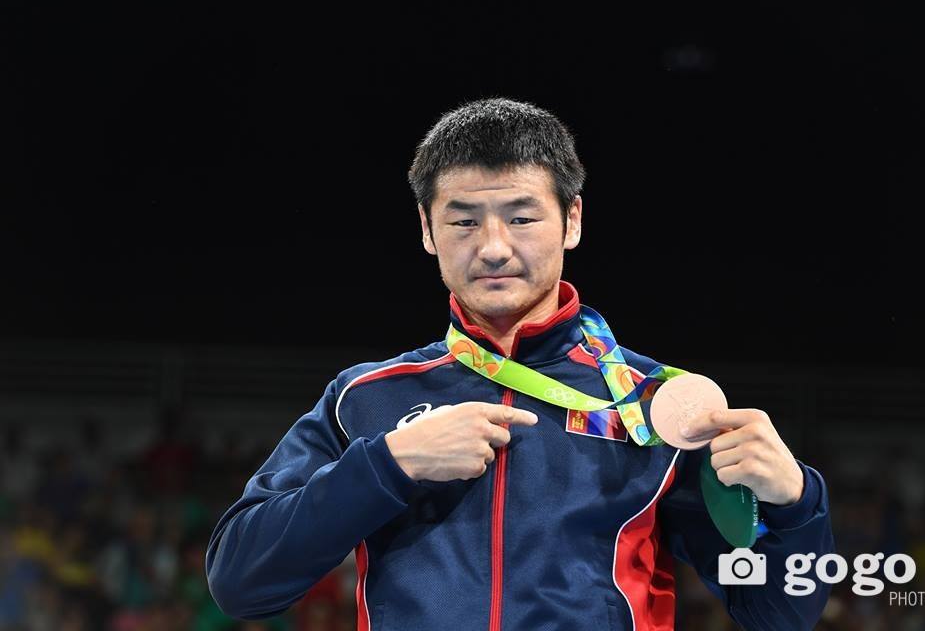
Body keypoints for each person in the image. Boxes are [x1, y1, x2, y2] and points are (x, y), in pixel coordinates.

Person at [206, 97, 835, 630]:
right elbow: (240, 582)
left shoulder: (659, 407)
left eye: (522, 217)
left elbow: (779, 611)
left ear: (572, 220)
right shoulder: (366, 398)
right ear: (427, 230)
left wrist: (797, 504)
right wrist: (388, 465)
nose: (494, 248)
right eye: (463, 221)